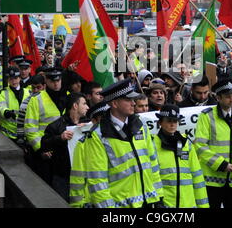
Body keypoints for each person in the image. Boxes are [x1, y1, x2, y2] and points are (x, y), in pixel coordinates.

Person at [70, 78, 164, 208]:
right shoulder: (98, 135)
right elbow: (97, 181)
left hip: (148, 202)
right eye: (128, 100)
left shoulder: (140, 125)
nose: (133, 103)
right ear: (114, 103)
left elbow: (153, 163)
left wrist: (158, 197)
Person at [194, 79, 232, 208]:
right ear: (218, 98)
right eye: (227, 97)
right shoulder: (207, 116)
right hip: (213, 181)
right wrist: (221, 164)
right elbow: (200, 146)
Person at [153, 104, 209, 208]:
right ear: (160, 122)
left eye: (175, 121)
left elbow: (197, 177)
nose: (172, 124)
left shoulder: (186, 143)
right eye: (169, 120)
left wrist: (203, 206)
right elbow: (152, 178)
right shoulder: (153, 144)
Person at [41, 93, 89, 202]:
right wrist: (60, 138)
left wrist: (90, 127)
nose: (87, 107)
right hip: (62, 177)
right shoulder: (56, 126)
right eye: (84, 103)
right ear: (75, 106)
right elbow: (44, 145)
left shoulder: (88, 123)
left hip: (84, 176)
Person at [24, 67, 69, 184]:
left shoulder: (68, 97)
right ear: (46, 82)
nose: (56, 84)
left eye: (58, 80)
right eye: (52, 81)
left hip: (65, 150)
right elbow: (30, 129)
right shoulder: (36, 100)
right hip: (46, 152)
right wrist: (40, 149)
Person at [0, 66, 31, 141]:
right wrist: (6, 112)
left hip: (24, 132)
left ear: (19, 78)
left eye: (15, 78)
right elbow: (0, 106)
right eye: (11, 79)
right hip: (7, 133)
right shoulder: (2, 93)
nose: (13, 81)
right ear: (8, 80)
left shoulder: (28, 92)